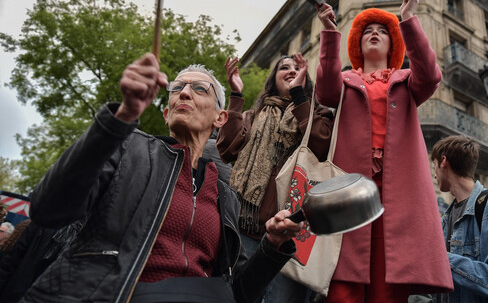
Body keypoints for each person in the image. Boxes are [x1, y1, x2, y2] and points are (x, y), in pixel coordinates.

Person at [20, 53, 302, 303]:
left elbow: (237, 292)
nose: (184, 93)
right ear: (167, 114)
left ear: (220, 118)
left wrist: (272, 246)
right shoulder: (129, 149)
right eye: (176, 88)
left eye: (199, 88)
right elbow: (48, 209)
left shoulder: (225, 196)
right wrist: (120, 119)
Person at [315, 0, 453, 302]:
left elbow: (431, 75)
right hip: (349, 188)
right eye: (367, 31)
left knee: (390, 280)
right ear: (357, 45)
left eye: (382, 31)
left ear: (393, 46)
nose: (374, 33)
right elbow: (324, 92)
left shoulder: (407, 80)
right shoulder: (344, 79)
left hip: (397, 191)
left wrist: (408, 19)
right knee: (342, 278)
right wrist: (328, 31)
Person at [217, 53, 334, 302]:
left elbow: (320, 145)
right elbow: (226, 148)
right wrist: (236, 96)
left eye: (297, 68)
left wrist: (299, 97)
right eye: (284, 67)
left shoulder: (318, 115)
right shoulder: (253, 116)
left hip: (292, 237)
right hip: (246, 231)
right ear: (273, 79)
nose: (291, 71)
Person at [431, 135, 488, 302]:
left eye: (434, 166)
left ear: (443, 161)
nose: (434, 175)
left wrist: (441, 259)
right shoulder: (446, 219)